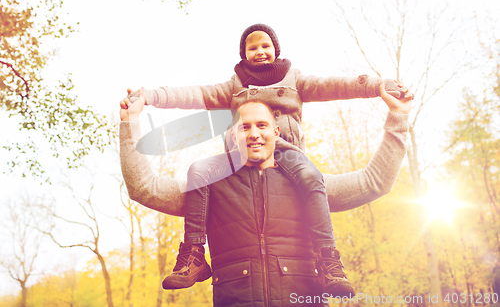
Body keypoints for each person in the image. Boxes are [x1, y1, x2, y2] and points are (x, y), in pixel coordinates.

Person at [119, 82, 411, 306]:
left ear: (276, 131)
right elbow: (144, 187)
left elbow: (375, 182)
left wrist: (398, 117)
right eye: (244, 127)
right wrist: (129, 122)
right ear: (233, 136)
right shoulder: (208, 188)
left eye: (261, 125)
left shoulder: (308, 186)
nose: (254, 133)